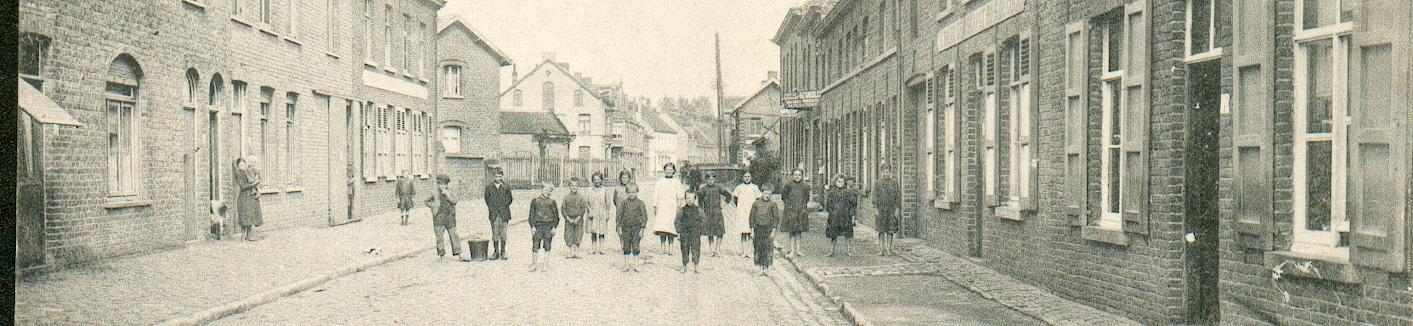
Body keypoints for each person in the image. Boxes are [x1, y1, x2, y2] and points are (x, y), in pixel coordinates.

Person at [425, 174, 466, 261]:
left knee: (454, 234)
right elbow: (427, 201)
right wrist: (433, 206)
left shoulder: (450, 191)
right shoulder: (434, 192)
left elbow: (454, 201)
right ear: (438, 184)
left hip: (449, 216)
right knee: (439, 236)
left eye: (444, 184)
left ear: (447, 184)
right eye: (440, 184)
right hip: (439, 216)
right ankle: (441, 255)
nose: (442, 186)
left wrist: (447, 194)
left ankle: (458, 254)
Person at [650, 163, 684, 255]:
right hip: (662, 207)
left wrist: (678, 207)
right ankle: (662, 248)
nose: (669, 171)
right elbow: (655, 195)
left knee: (671, 228)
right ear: (664, 170)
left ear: (673, 171)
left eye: (671, 169)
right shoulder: (660, 181)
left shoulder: (676, 182)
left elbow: (680, 196)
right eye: (667, 169)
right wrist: (655, 206)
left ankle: (671, 248)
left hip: (672, 208)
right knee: (662, 228)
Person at [697, 173, 733, 257]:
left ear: (714, 179)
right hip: (707, 213)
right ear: (706, 180)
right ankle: (711, 250)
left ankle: (717, 250)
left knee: (720, 231)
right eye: (708, 179)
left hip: (717, 213)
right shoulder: (703, 189)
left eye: (712, 179)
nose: (710, 181)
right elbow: (699, 199)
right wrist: (701, 209)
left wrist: (724, 204)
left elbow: (728, 195)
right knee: (710, 232)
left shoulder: (718, 187)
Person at [749, 183, 780, 276]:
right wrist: (752, 230)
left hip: (768, 230)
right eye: (765, 193)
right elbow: (752, 217)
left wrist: (773, 230)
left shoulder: (773, 204)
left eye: (769, 194)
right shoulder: (756, 204)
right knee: (758, 248)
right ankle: (759, 268)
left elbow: (776, 218)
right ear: (761, 193)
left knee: (768, 248)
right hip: (758, 229)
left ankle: (766, 268)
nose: (767, 196)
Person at [528, 184, 560, 272]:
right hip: (538, 226)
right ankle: (534, 264)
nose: (548, 192)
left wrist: (554, 227)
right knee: (535, 245)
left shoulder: (552, 202)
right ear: (542, 189)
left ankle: (545, 265)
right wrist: (532, 226)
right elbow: (531, 215)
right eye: (546, 190)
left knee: (547, 245)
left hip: (548, 226)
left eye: (550, 190)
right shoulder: (535, 201)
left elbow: (556, 216)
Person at [616, 183, 648, 272]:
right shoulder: (623, 203)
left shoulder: (640, 203)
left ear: (637, 192)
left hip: (636, 228)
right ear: (626, 193)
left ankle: (636, 265)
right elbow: (619, 215)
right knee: (626, 246)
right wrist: (618, 227)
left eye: (633, 192)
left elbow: (644, 216)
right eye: (629, 192)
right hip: (626, 228)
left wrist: (642, 229)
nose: (631, 194)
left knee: (635, 246)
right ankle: (626, 265)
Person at [731, 172, 764, 258]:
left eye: (748, 176)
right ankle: (744, 251)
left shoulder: (754, 187)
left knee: (750, 232)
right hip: (742, 212)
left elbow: (758, 198)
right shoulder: (739, 187)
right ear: (742, 178)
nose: (747, 178)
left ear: (751, 178)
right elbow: (735, 199)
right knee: (743, 232)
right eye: (745, 176)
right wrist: (740, 207)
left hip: (751, 211)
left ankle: (749, 251)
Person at [780, 169, 811, 257]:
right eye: (795, 175)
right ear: (792, 176)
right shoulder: (788, 185)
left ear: (802, 176)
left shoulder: (805, 186)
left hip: (801, 211)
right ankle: (792, 250)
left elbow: (807, 198)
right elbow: (784, 196)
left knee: (799, 231)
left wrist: (802, 206)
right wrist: (789, 205)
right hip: (791, 210)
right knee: (792, 231)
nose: (797, 177)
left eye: (799, 175)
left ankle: (798, 250)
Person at [484, 169, 514, 260]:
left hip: (504, 213)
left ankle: (503, 251)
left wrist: (503, 205)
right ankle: (496, 252)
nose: (498, 178)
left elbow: (510, 199)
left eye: (500, 176)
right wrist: (492, 208)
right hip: (494, 214)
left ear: (502, 176)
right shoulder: (489, 187)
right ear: (493, 177)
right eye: (496, 176)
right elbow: (487, 199)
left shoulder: (506, 187)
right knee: (495, 233)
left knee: (503, 233)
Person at [825, 174, 858, 257]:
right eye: (838, 181)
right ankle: (831, 251)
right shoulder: (832, 193)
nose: (840, 183)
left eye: (842, 182)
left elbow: (853, 203)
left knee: (847, 235)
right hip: (835, 217)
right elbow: (828, 205)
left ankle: (849, 251)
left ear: (845, 183)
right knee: (833, 235)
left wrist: (851, 214)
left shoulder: (847, 192)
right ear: (835, 182)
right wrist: (832, 212)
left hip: (845, 217)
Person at [873, 164, 902, 256]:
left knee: (890, 230)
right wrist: (876, 209)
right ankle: (881, 249)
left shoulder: (894, 183)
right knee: (881, 230)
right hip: (881, 209)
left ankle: (889, 249)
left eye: (888, 172)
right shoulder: (877, 183)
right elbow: (874, 197)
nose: (886, 174)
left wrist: (897, 209)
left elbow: (898, 197)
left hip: (891, 209)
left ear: (890, 173)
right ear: (881, 172)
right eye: (884, 172)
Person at [235, 157, 264, 241]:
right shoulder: (239, 174)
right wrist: (253, 184)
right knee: (244, 217)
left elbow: (256, 176)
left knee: (250, 216)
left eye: (243, 164)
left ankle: (249, 235)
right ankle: (242, 236)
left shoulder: (248, 171)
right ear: (238, 166)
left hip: (251, 196)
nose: (242, 166)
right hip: (244, 197)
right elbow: (243, 186)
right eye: (240, 165)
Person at [675, 192, 705, 273]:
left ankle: (696, 265)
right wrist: (678, 232)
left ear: (695, 199)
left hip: (695, 233)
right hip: (684, 233)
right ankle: (684, 265)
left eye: (691, 198)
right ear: (685, 199)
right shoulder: (682, 210)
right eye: (687, 198)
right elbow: (677, 221)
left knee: (696, 248)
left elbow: (703, 220)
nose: (689, 200)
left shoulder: (698, 210)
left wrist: (700, 230)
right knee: (684, 248)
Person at [561, 178, 589, 259]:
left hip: (578, 219)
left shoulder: (581, 197)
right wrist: (567, 218)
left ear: (578, 186)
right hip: (569, 219)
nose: (574, 187)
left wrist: (579, 217)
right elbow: (563, 209)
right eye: (572, 185)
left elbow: (583, 208)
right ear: (569, 186)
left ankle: (576, 252)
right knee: (569, 234)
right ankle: (571, 252)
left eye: (576, 185)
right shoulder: (566, 197)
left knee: (578, 234)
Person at [587, 173, 613, 255]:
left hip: (602, 212)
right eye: (595, 180)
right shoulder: (590, 190)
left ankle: (601, 248)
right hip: (593, 212)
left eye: (598, 179)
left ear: (601, 180)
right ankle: (593, 248)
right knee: (593, 231)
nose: (597, 181)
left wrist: (607, 214)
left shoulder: (605, 190)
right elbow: (586, 202)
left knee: (602, 231)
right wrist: (589, 210)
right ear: (593, 181)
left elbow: (608, 203)